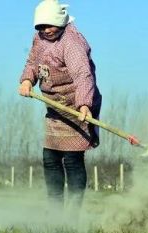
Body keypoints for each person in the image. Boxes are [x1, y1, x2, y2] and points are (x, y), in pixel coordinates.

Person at [18, 0, 102, 216]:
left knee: (72, 158)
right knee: (50, 157)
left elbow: (83, 74)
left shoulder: (71, 42)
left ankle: (73, 213)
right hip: (55, 108)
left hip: (77, 106)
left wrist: (84, 103)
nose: (46, 30)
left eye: (50, 26)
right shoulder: (40, 38)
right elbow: (32, 62)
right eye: (41, 27)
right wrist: (28, 80)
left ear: (60, 22)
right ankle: (55, 211)